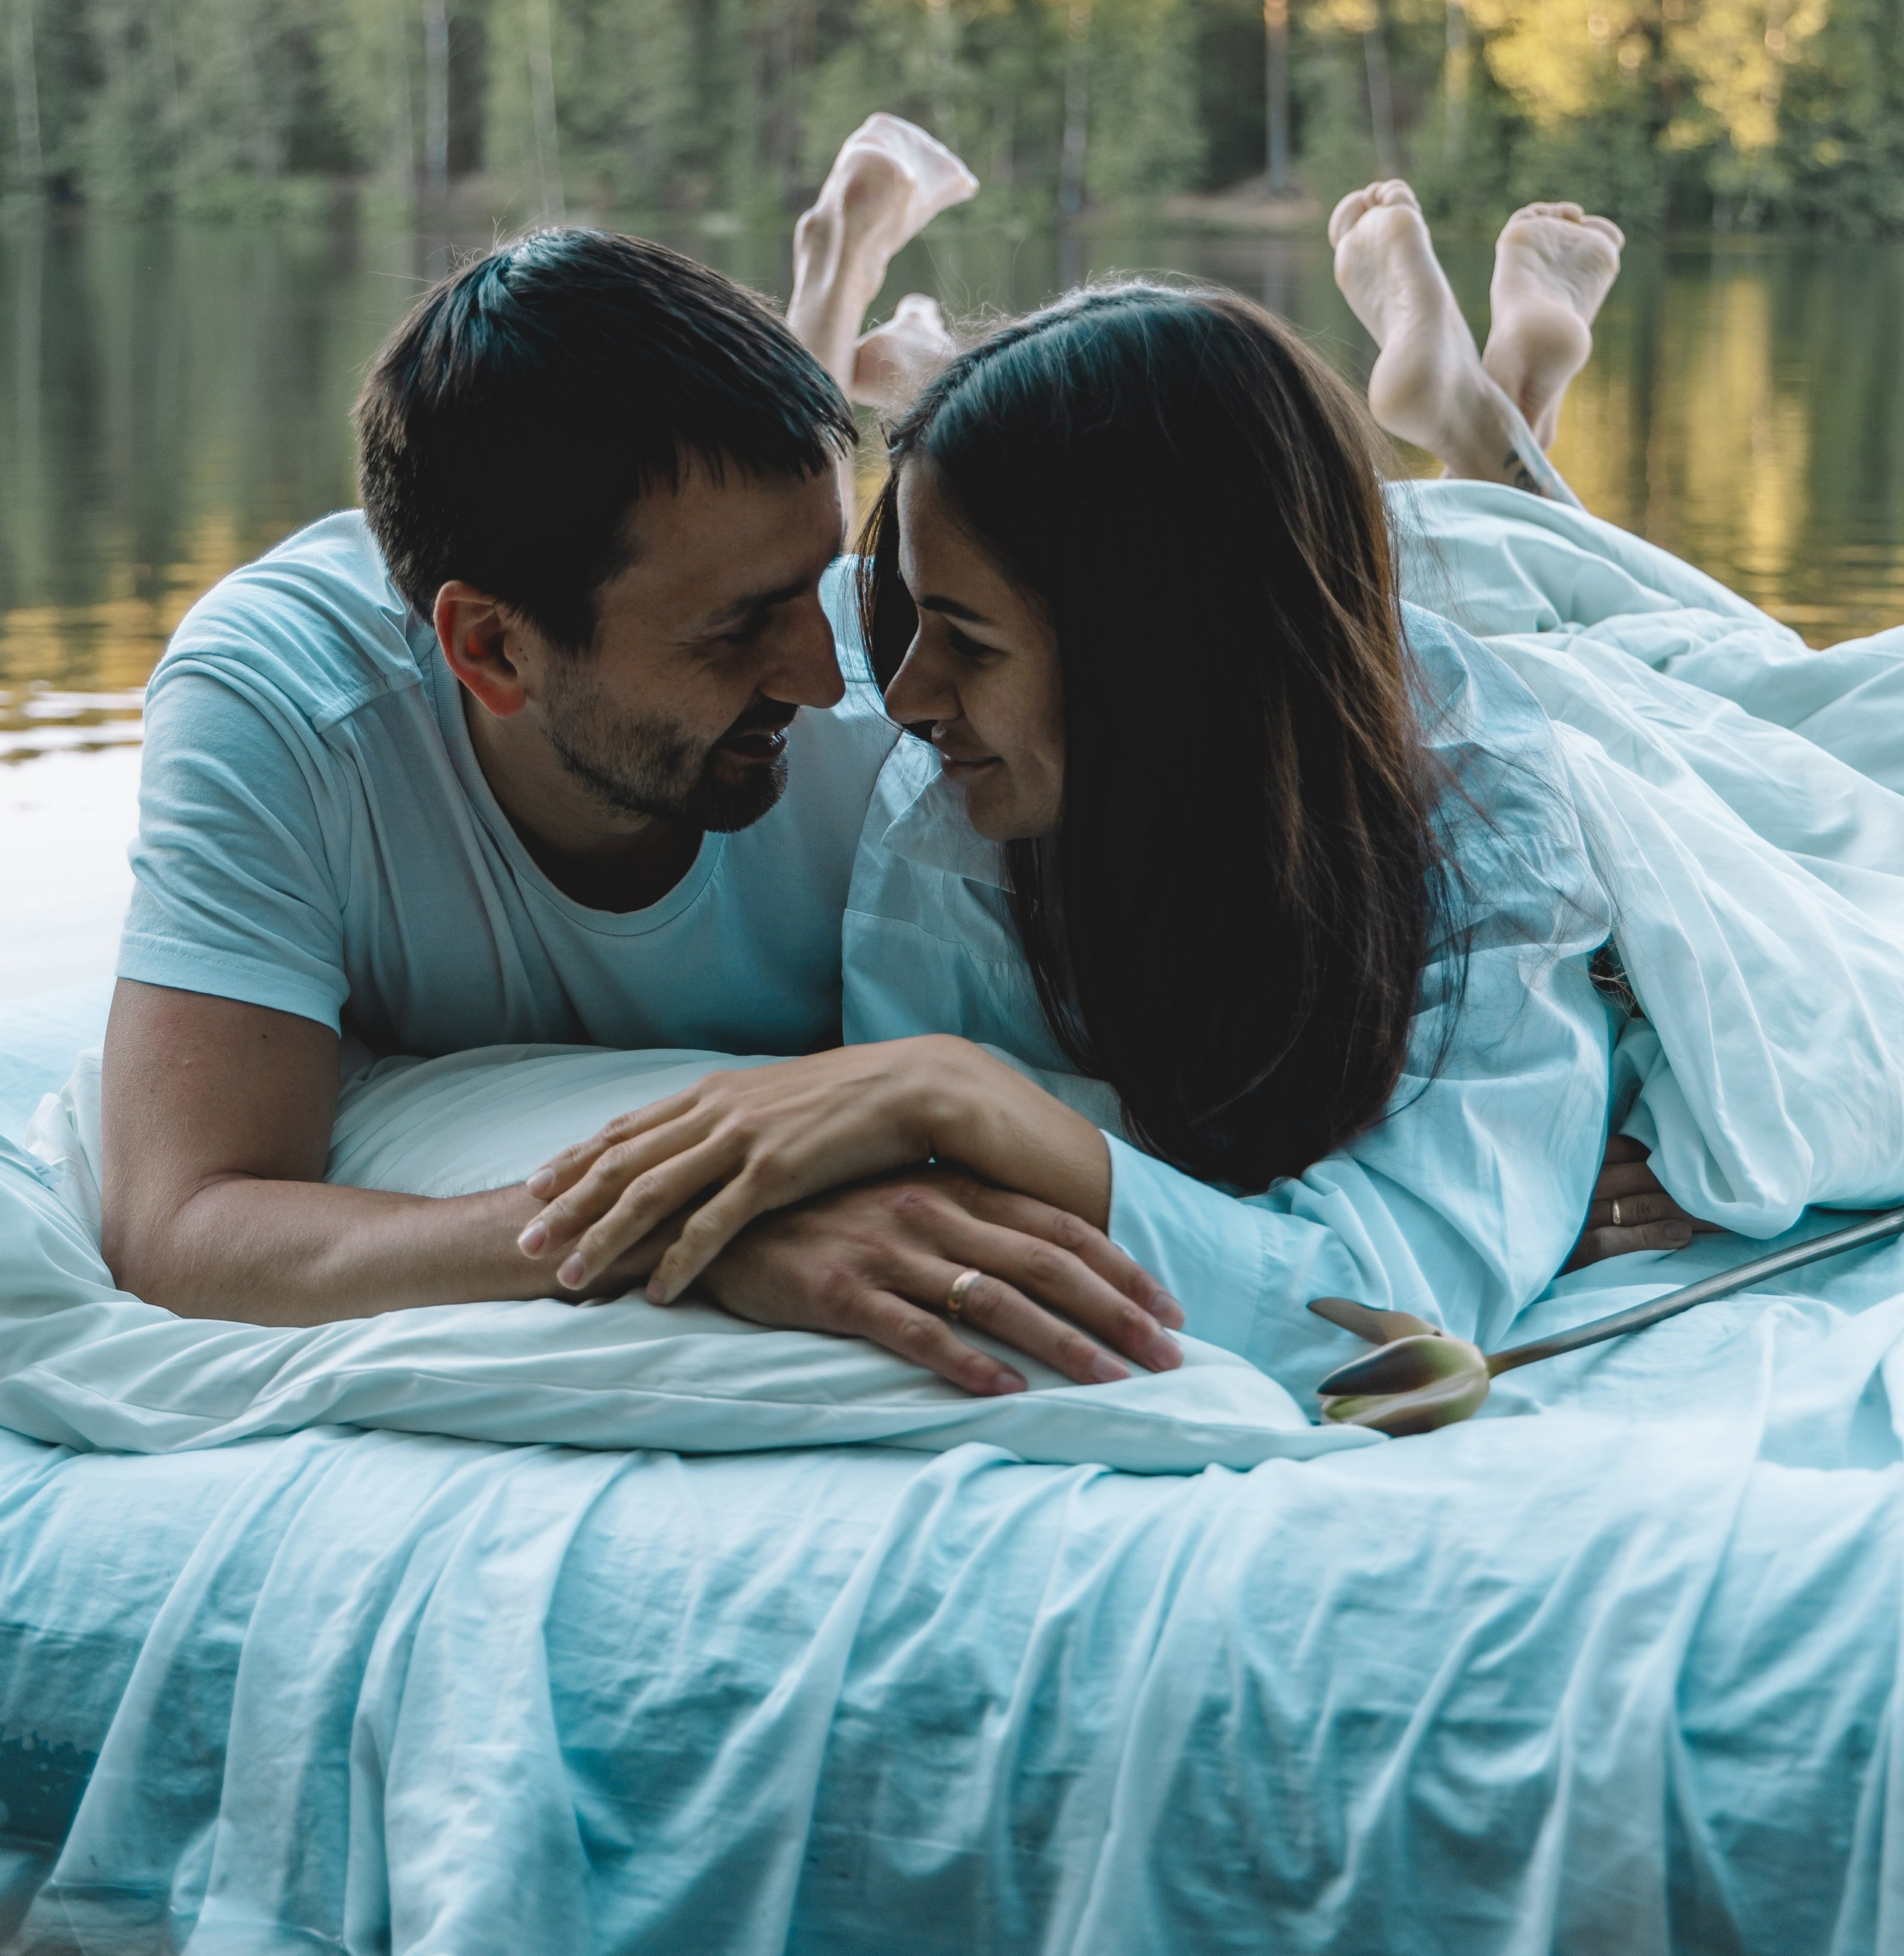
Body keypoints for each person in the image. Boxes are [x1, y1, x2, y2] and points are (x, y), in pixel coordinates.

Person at [97, 116, 1182, 1391]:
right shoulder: (286, 709)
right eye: (736, 633)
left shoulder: (913, 679)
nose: (836, 678)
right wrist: (670, 1231)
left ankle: (843, 310)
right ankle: (830, 284)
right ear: (491, 649)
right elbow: (181, 1228)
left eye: (818, 586)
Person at [516, 275, 1626, 1408]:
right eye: (910, 619)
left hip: (1490, 725)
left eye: (973, 645)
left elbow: (1397, 1320)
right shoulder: (953, 812)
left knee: (1583, 598)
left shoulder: (1484, 821)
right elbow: (976, 1222)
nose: (902, 698)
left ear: (1154, 656)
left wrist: (958, 1092)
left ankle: (1503, 438)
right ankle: (1496, 419)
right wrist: (952, 1106)